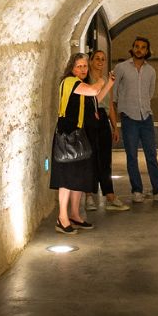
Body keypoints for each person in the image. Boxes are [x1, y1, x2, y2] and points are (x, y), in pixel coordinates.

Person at [52, 53, 112, 235]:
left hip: (79, 136)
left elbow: (96, 99)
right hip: (67, 136)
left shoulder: (81, 87)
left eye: (85, 66)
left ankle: (75, 215)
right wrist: (100, 79)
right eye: (79, 66)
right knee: (66, 178)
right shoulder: (70, 82)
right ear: (71, 68)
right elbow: (94, 90)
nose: (83, 69)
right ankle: (62, 219)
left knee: (78, 177)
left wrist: (109, 83)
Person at [111, 36, 158, 203]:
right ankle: (137, 191)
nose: (139, 49)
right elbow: (114, 93)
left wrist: (143, 107)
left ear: (147, 51)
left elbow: (150, 93)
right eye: (137, 46)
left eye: (143, 47)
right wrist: (122, 111)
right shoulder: (121, 68)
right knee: (131, 155)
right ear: (132, 48)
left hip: (146, 116)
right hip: (129, 117)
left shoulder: (151, 71)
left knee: (151, 155)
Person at [84, 48, 129, 212]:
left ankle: (110, 195)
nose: (100, 62)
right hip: (89, 118)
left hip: (102, 118)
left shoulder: (106, 80)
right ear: (91, 61)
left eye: (103, 59)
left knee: (105, 158)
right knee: (90, 157)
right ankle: (89, 196)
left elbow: (110, 106)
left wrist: (114, 127)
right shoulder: (86, 79)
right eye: (97, 58)